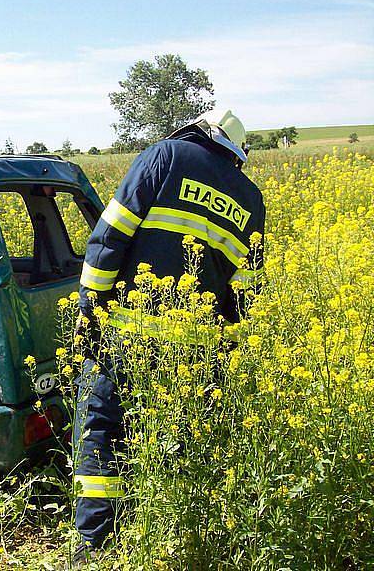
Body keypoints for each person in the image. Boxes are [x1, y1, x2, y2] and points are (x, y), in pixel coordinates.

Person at [71, 110, 266, 563]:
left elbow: (109, 236)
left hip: (125, 335)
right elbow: (249, 291)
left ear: (198, 132)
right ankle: (173, 533)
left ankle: (92, 547)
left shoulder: (163, 157)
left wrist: (89, 310)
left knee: (100, 431)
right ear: (235, 152)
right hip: (195, 350)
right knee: (178, 439)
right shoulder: (250, 199)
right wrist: (228, 350)